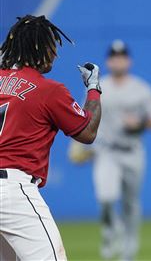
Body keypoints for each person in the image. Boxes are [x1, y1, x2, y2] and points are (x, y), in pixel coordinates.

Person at [0, 15, 102, 261]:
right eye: (51, 47)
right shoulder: (49, 90)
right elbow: (87, 133)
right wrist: (94, 89)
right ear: (41, 48)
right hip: (12, 190)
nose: (54, 55)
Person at [69, 39, 151, 261]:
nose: (118, 60)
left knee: (130, 203)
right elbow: (85, 116)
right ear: (109, 61)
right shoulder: (100, 86)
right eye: (114, 57)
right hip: (106, 151)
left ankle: (129, 250)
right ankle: (111, 232)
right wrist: (78, 145)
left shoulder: (141, 88)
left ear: (128, 60)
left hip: (132, 151)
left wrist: (138, 123)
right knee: (106, 197)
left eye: (122, 56)